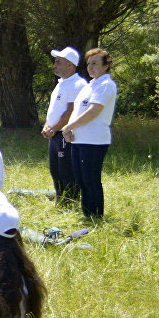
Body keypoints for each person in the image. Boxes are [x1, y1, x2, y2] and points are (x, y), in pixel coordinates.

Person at [61, 48, 117, 219]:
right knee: (81, 178)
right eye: (89, 64)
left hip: (94, 141)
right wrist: (70, 130)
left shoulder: (106, 85)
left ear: (106, 66)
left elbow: (94, 111)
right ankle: (87, 214)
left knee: (90, 178)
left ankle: (96, 215)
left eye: (95, 63)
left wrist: (68, 126)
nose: (90, 67)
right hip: (79, 139)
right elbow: (78, 111)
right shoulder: (90, 85)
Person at [41, 47, 88, 204]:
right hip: (55, 134)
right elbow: (53, 111)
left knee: (66, 171)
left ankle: (70, 202)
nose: (54, 65)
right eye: (55, 62)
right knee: (55, 170)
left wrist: (54, 129)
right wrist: (47, 126)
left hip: (66, 135)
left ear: (70, 65)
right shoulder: (61, 84)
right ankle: (60, 201)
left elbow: (70, 112)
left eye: (58, 62)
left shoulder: (78, 84)